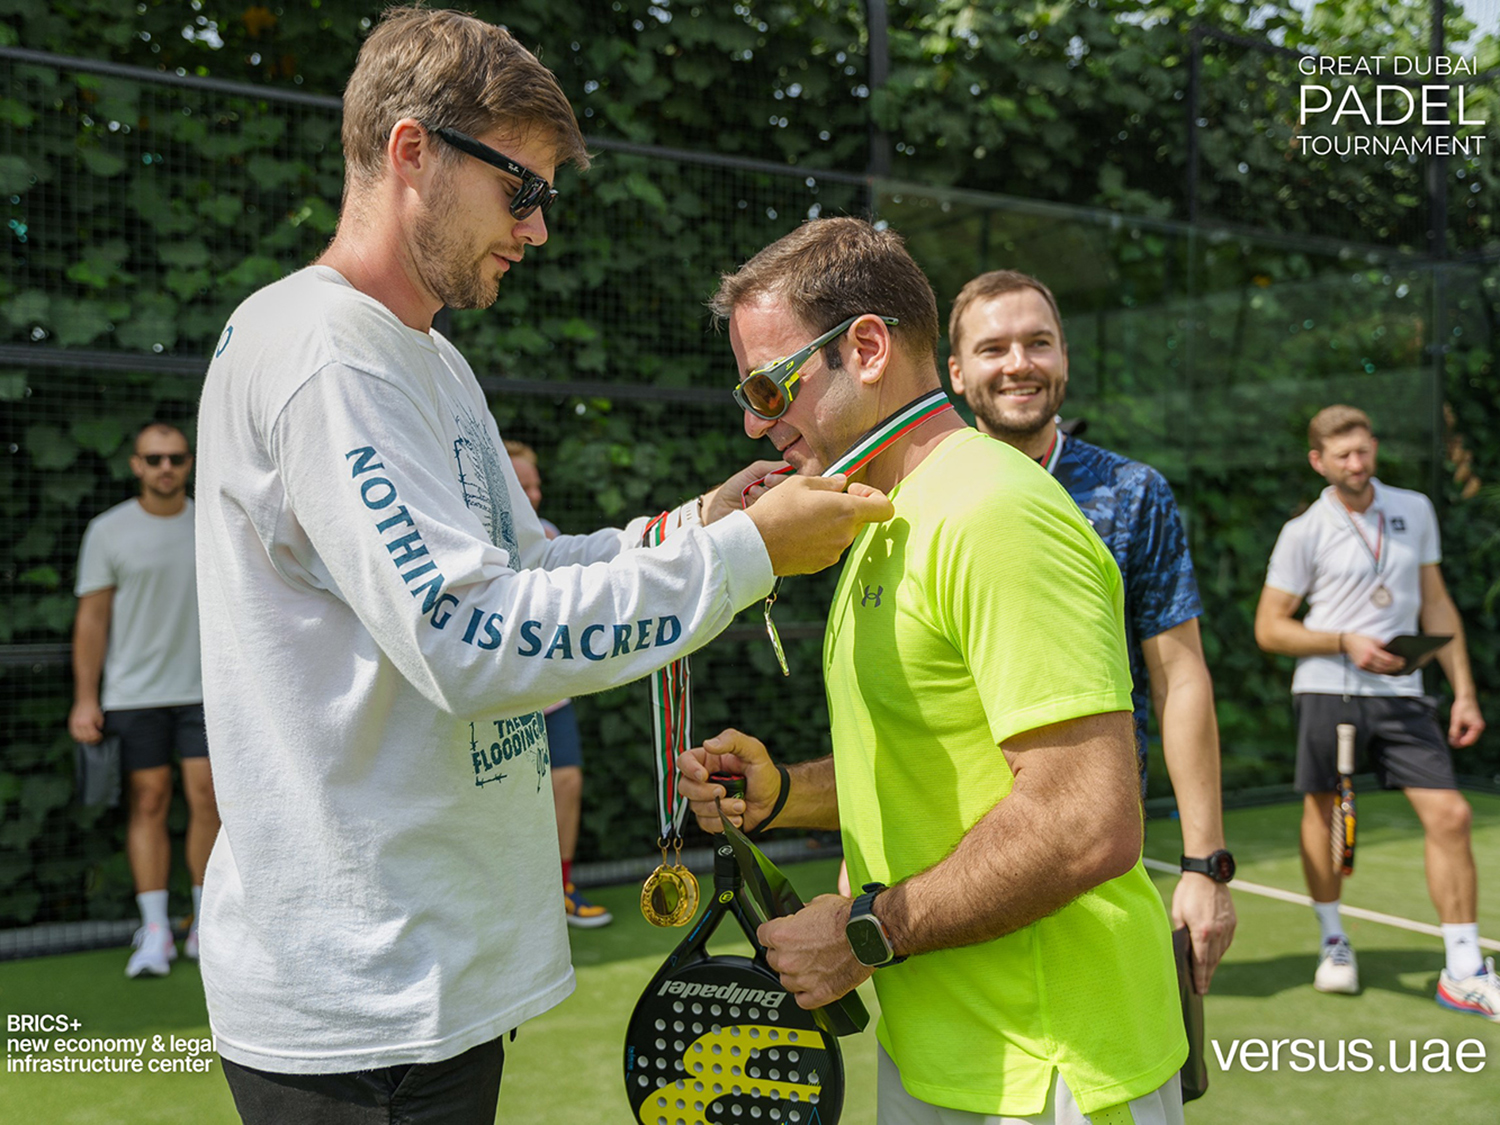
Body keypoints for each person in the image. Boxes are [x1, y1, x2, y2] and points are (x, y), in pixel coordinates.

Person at [192, 9, 890, 1122]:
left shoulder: (421, 357)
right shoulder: (327, 358)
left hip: (422, 982)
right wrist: (750, 555)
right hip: (365, 1005)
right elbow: (467, 639)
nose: (540, 228)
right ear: (413, 152)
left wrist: (707, 521)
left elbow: (526, 570)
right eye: (524, 188)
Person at [681, 217, 1186, 1125]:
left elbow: (1086, 818)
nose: (757, 422)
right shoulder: (881, 517)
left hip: (1054, 1068)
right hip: (953, 1052)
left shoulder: (996, 510)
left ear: (866, 348)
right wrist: (780, 794)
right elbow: (943, 767)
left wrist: (864, 930)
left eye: (769, 385)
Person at [945, 270, 1236, 994]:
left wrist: (1205, 864)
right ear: (954, 371)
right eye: (994, 347)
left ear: (1065, 357)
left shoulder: (1132, 493)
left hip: (1096, 850)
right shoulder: (917, 494)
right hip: (946, 854)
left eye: (1038, 342)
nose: (1019, 363)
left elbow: (1179, 675)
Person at [1255, 404, 1494, 1013]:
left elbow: (1435, 604)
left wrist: (1462, 690)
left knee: (1452, 815)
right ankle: (1334, 940)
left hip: (1404, 695)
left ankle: (1464, 966)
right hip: (1326, 689)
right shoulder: (1303, 531)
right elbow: (1270, 629)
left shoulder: (1414, 509)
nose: (1357, 464)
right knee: (1321, 817)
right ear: (1319, 462)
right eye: (1343, 456)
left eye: (1364, 451)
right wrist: (1343, 640)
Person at [68, 421, 219, 979]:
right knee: (149, 801)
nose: (166, 468)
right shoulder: (108, 531)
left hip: (207, 689)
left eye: (176, 458)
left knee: (208, 798)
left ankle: (208, 925)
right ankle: (155, 930)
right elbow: (93, 619)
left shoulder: (215, 522)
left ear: (190, 462)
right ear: (136, 464)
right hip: (132, 693)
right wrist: (86, 698)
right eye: (154, 459)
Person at [505, 439, 610, 927]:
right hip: (500, 699)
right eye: (522, 485)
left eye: (536, 484)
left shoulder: (548, 538)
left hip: (549, 693)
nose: (534, 494)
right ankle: (516, 899)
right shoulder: (467, 540)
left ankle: (562, 889)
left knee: (566, 781)